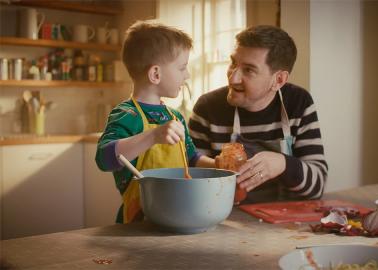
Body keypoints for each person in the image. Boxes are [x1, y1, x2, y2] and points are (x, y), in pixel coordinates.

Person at [188, 25, 328, 203]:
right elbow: (189, 179)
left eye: (248, 70)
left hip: (286, 222)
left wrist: (283, 164)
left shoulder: (298, 103)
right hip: (226, 219)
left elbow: (318, 186)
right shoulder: (208, 107)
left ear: (278, 80)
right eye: (233, 63)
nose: (233, 78)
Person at [96, 20, 214, 224]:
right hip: (139, 223)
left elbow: (192, 158)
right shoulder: (126, 114)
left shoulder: (175, 116)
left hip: (180, 214)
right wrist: (153, 135)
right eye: (182, 67)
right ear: (155, 74)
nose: (187, 74)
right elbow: (104, 159)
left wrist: (220, 166)